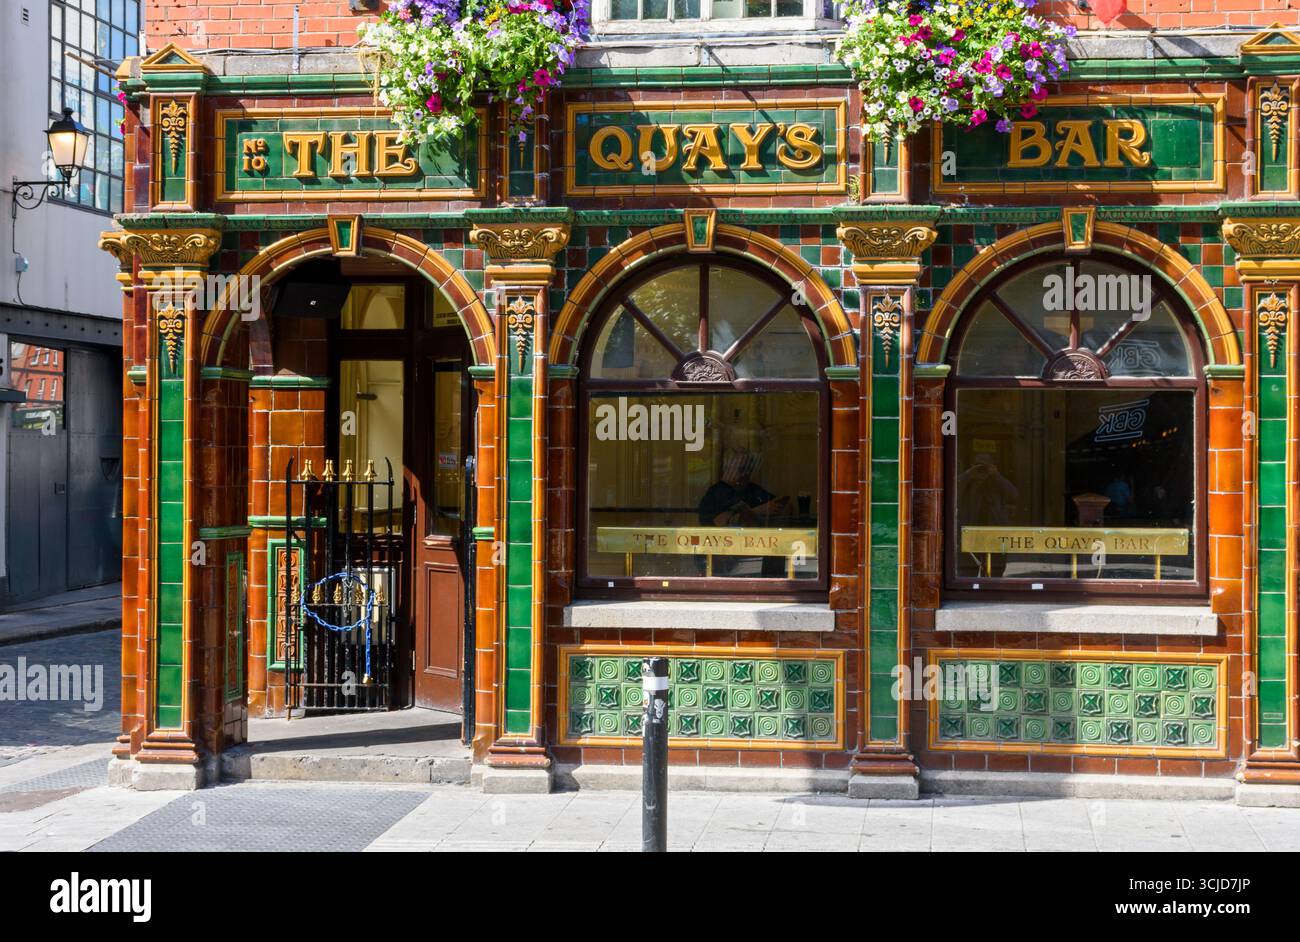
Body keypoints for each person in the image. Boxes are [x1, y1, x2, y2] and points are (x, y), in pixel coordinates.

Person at [697, 449, 793, 577]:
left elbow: (786, 507)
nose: (745, 474)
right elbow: (718, 522)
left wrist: (777, 508)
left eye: (748, 469)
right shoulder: (716, 493)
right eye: (741, 469)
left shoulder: (752, 489)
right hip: (724, 556)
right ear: (728, 468)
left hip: (754, 551)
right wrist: (757, 511)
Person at [956, 451, 1019, 577]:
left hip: (995, 531)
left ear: (993, 467)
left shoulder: (997, 482)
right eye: (978, 466)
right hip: (970, 531)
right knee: (967, 572)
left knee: (995, 571)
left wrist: (996, 476)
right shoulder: (966, 481)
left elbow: (1014, 495)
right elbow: (952, 490)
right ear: (972, 466)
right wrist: (969, 474)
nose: (982, 469)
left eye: (985, 466)